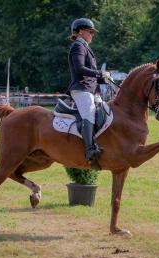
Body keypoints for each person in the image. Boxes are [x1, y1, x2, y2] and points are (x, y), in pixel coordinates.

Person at [67, 18, 111, 164]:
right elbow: (80, 69)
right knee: (89, 113)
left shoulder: (86, 47)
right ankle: (90, 149)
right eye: (90, 31)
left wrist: (104, 79)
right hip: (81, 88)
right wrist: (99, 73)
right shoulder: (78, 46)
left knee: (104, 111)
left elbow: (90, 73)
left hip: (90, 89)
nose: (92, 34)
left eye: (93, 32)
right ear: (80, 32)